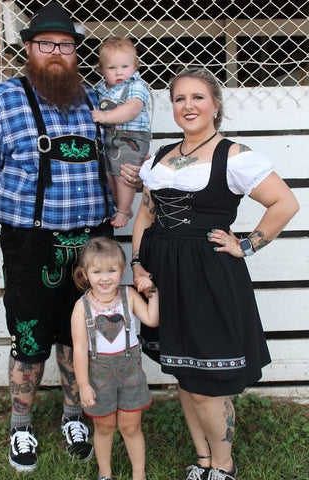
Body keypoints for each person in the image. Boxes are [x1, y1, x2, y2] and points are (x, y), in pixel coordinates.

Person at [0, 2, 117, 473]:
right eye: (45, 44)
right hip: (31, 243)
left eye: (65, 46)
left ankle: (74, 416)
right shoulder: (4, 100)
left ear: (76, 53)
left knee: (78, 339)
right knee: (29, 339)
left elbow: (123, 156)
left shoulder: (97, 101)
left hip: (93, 245)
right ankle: (21, 424)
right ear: (28, 48)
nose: (55, 53)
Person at [130, 67, 299, 480]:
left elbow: (285, 203)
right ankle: (202, 461)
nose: (188, 106)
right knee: (186, 376)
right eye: (179, 99)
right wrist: (137, 263)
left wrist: (246, 245)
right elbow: (146, 214)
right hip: (165, 275)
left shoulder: (233, 156)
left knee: (208, 381)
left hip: (207, 277)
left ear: (215, 105)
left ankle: (224, 466)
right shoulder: (162, 157)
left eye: (197, 97)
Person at [71, 236, 159, 480]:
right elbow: (79, 348)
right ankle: (105, 473)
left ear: (122, 270)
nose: (105, 277)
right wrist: (83, 385)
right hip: (98, 376)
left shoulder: (128, 296)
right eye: (97, 271)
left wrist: (152, 292)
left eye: (112, 270)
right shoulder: (82, 307)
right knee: (104, 426)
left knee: (131, 427)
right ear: (85, 274)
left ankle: (138, 474)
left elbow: (152, 319)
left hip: (129, 371)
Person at [91, 37, 152, 228]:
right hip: (110, 138)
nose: (119, 72)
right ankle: (120, 206)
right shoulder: (101, 89)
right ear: (101, 69)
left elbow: (131, 109)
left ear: (135, 66)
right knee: (108, 173)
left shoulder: (135, 86)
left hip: (130, 138)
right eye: (112, 68)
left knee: (122, 173)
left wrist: (105, 117)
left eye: (125, 66)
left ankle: (124, 211)